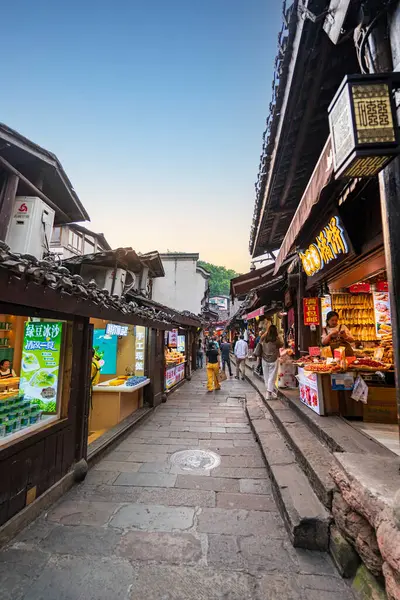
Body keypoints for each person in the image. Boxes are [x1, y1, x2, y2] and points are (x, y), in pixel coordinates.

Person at [261, 324, 283, 399]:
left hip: (264, 358)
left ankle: (269, 392)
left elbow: (259, 342)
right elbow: (281, 344)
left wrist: (265, 333)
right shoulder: (276, 339)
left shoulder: (264, 338)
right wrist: (279, 336)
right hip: (274, 359)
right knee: (272, 376)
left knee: (266, 376)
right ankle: (269, 393)